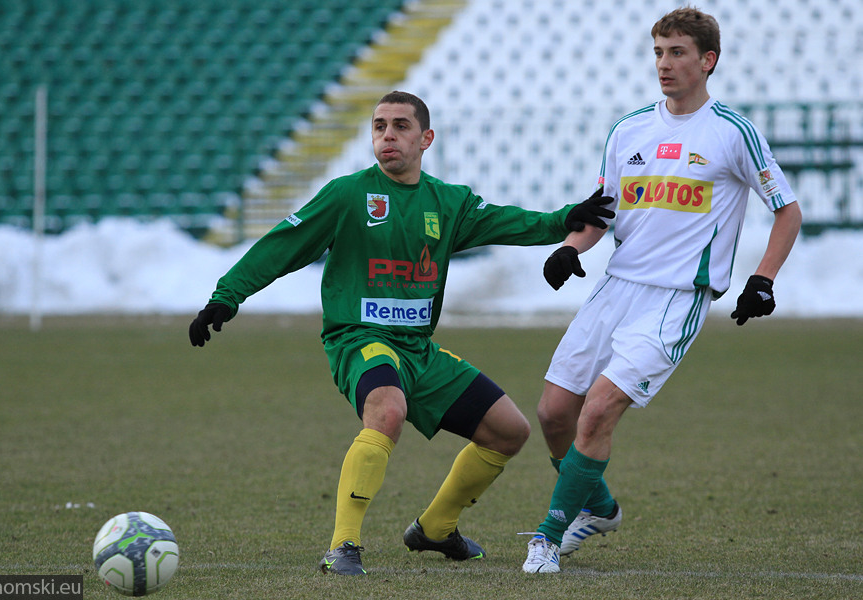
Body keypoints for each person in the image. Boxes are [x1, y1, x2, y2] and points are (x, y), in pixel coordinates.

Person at [188, 91, 615, 575]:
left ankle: (435, 528)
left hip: (419, 352)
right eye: (378, 126)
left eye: (400, 126)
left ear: (425, 138)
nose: (387, 135)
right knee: (387, 410)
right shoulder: (348, 195)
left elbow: (508, 221)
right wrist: (227, 296)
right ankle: (342, 546)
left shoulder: (448, 202)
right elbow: (281, 247)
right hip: (359, 340)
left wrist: (566, 219)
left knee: (509, 432)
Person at [521, 8, 803, 573]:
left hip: (676, 298)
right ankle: (597, 506)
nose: (664, 64)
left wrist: (762, 280)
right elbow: (600, 212)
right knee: (554, 412)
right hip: (616, 286)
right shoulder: (628, 129)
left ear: (708, 61)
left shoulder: (733, 132)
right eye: (658, 52)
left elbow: (788, 211)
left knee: (598, 411)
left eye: (677, 53)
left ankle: (549, 537)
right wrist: (570, 248)